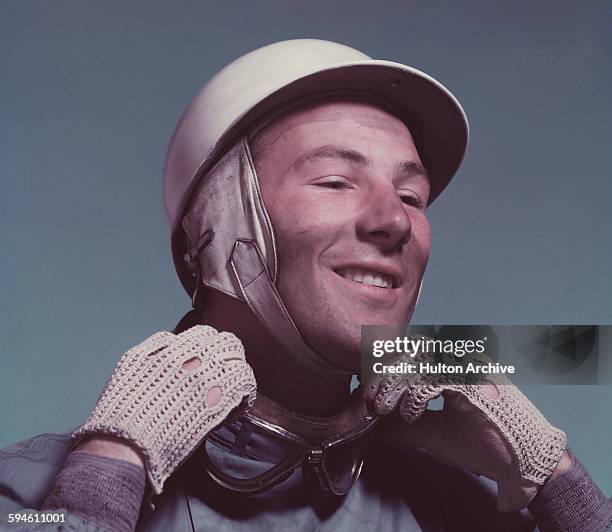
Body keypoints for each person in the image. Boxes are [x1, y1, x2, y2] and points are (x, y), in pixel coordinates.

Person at [0, 39, 610, 532]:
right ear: (221, 221)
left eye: (411, 197)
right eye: (334, 182)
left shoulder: (457, 510)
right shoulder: (26, 492)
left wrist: (554, 475)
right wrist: (111, 465)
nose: (395, 221)